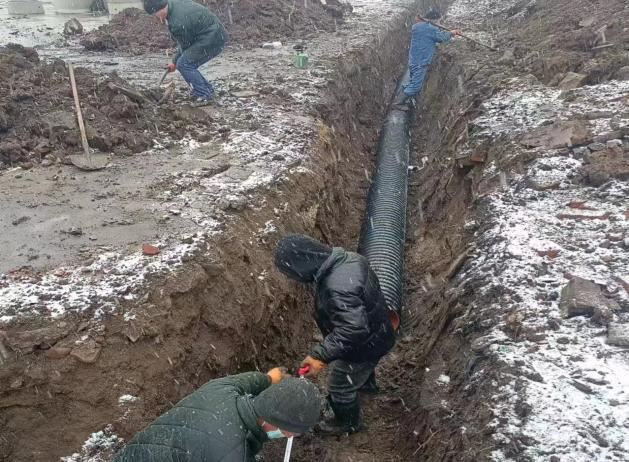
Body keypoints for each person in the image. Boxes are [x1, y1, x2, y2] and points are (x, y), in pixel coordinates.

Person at [274, 234, 397, 435]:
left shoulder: (336, 287)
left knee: (340, 385)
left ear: (300, 266)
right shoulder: (349, 259)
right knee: (363, 367)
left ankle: (347, 423)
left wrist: (320, 355)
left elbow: (353, 329)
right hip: (379, 334)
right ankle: (366, 386)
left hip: (364, 346)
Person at [113, 369, 321, 461]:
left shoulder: (222, 389)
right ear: (279, 427)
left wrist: (269, 378)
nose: (290, 437)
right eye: (292, 433)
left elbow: (248, 380)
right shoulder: (234, 455)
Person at [143, 0, 227, 104]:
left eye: (154, 14)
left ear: (159, 10)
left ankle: (204, 94)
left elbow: (186, 46)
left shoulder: (177, 23)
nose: (155, 17)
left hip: (212, 39)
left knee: (184, 64)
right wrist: (174, 61)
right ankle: (206, 90)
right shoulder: (173, 4)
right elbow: (186, 44)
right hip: (214, 33)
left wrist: (175, 61)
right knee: (184, 62)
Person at [395, 10, 461, 107]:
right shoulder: (431, 29)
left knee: (412, 81)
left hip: (413, 58)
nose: (439, 23)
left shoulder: (417, 26)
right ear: (434, 20)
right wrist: (451, 33)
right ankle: (398, 104)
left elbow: (431, 34)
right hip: (421, 61)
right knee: (415, 86)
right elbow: (441, 38)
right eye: (439, 21)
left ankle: (404, 98)